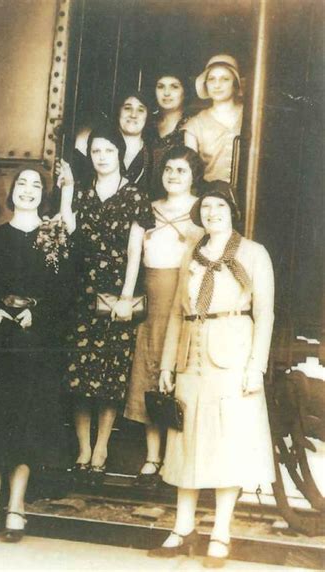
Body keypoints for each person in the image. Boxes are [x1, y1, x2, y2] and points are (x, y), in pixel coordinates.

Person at [148, 180, 275, 567]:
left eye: (220, 207)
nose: (212, 213)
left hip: (232, 354)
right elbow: (175, 312)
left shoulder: (254, 254)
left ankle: (221, 533)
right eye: (206, 208)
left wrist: (256, 367)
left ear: (232, 211)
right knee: (187, 442)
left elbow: (265, 314)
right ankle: (183, 528)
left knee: (228, 442)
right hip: (191, 354)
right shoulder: (193, 252)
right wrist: (168, 365)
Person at [0, 167, 71, 543]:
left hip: (34, 347)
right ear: (12, 193)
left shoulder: (54, 238)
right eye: (21, 184)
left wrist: (34, 312)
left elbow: (63, 293)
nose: (28, 190)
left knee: (25, 425)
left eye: (36, 185)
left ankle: (16, 509)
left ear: (44, 194)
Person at [58, 125, 155, 485]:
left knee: (110, 376)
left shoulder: (134, 196)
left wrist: (127, 296)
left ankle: (101, 448)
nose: (101, 157)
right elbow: (69, 231)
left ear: (119, 155)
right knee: (80, 374)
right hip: (83, 290)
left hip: (116, 291)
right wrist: (67, 191)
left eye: (108, 151)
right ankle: (84, 449)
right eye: (96, 152)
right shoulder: (83, 193)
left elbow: (134, 250)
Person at [124, 146, 203, 484]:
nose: (173, 175)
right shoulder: (149, 209)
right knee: (150, 370)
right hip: (153, 294)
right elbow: (133, 254)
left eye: (181, 170)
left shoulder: (203, 210)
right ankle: (152, 457)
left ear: (193, 176)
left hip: (184, 296)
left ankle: (176, 458)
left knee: (180, 372)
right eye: (168, 169)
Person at [184, 54, 243, 183]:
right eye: (211, 79)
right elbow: (190, 174)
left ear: (235, 83)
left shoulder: (251, 116)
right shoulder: (194, 125)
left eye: (225, 79)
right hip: (210, 197)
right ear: (206, 84)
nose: (217, 85)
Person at [151, 69, 191, 187]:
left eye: (174, 87)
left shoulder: (193, 126)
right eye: (160, 86)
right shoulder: (147, 123)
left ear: (185, 92)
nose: (166, 93)